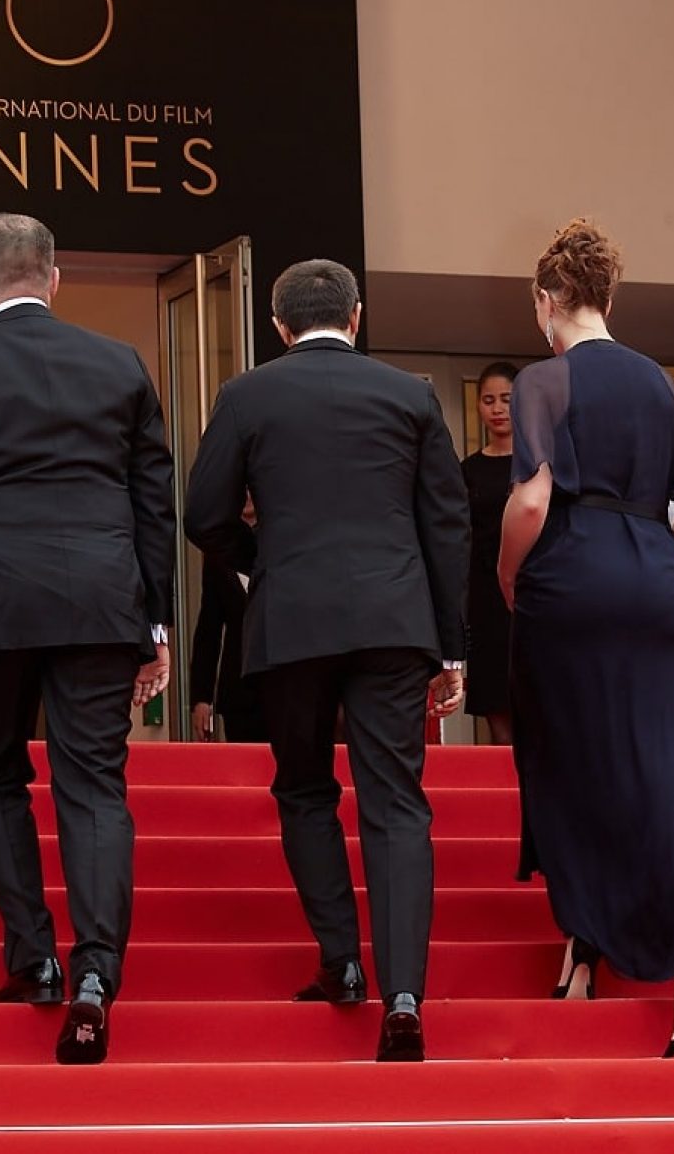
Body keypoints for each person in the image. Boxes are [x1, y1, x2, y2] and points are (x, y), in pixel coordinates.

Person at [0, 213, 175, 1066]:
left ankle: (35, 958)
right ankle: (96, 975)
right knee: (94, 783)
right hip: (100, 600)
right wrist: (155, 622)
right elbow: (151, 505)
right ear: (54, 280)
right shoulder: (120, 363)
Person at [184, 258, 469, 1063]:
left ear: (279, 326)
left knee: (305, 788)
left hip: (293, 622)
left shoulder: (245, 394)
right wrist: (451, 645)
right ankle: (404, 995)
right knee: (397, 802)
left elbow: (203, 513)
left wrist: (260, 560)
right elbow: (447, 526)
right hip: (393, 620)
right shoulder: (411, 394)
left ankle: (343, 964)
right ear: (356, 316)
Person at [500, 218, 674, 1058]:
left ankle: (585, 942)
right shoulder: (666, 388)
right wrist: (653, 559)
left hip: (569, 577)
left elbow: (529, 501)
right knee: (662, 769)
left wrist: (506, 575)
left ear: (549, 301)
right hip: (656, 581)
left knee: (566, 763)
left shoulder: (546, 381)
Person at [461, 362, 518, 745]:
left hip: (533, 593)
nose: (497, 408)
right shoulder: (467, 470)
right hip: (484, 596)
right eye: (488, 400)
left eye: (507, 400)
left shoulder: (543, 466)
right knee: (496, 706)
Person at [189, 499, 264, 743]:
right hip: (239, 693)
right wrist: (201, 698)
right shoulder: (219, 553)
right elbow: (208, 630)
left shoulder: (282, 541)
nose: (246, 494)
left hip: (287, 687)